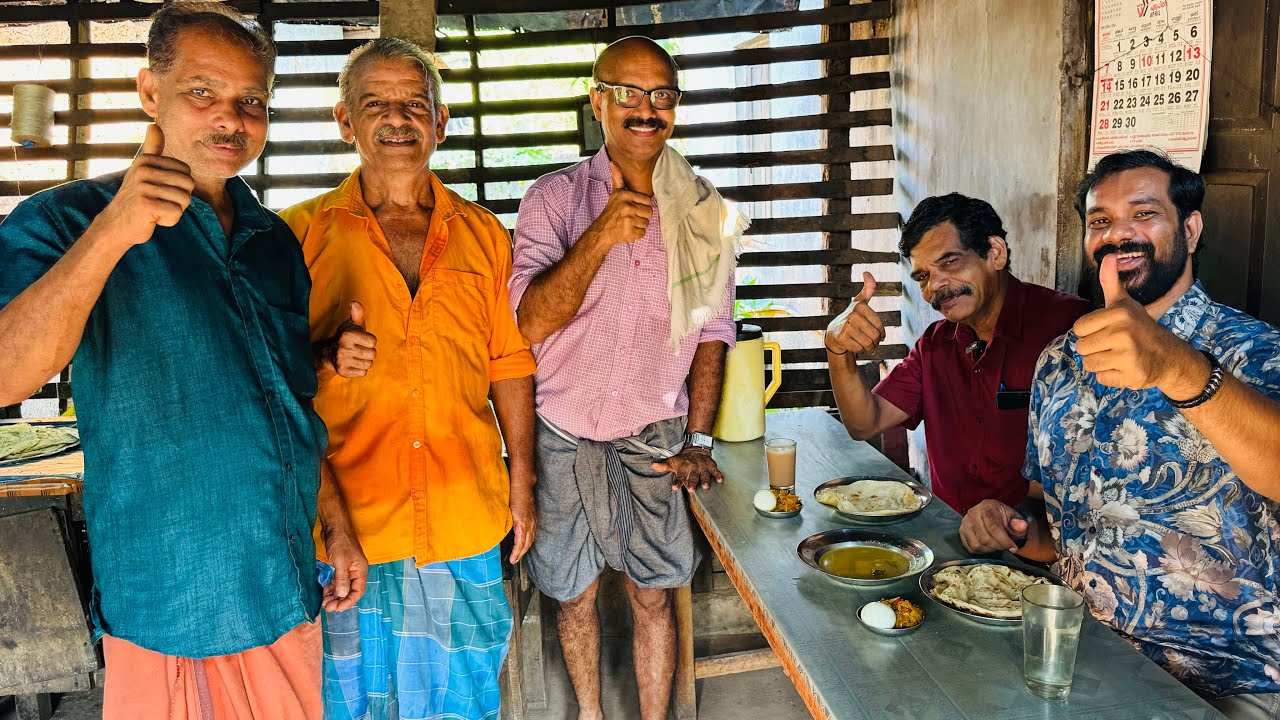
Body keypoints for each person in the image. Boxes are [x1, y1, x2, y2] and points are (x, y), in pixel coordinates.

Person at [0, 4, 365, 718]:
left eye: (251, 101)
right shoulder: (65, 221)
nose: (231, 118)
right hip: (170, 592)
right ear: (149, 93)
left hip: (282, 583)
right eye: (203, 92)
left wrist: (338, 525)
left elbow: (287, 403)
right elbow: (8, 374)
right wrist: (113, 234)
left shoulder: (273, 241)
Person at [960, 150, 1280, 718]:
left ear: (1190, 226)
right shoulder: (1060, 361)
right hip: (1076, 658)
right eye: (1100, 221)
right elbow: (1053, 527)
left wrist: (1178, 368)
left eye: (1143, 214)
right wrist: (1011, 526)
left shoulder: (1254, 351)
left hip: (1223, 681)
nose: (1118, 234)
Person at [278, 38, 537, 720]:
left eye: (414, 104)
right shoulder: (297, 235)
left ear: (440, 122)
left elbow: (507, 363)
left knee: (467, 700)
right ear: (345, 121)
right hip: (347, 526)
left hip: (464, 516)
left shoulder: (484, 235)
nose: (398, 119)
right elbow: (267, 380)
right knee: (347, 703)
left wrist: (523, 482)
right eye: (376, 104)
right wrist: (324, 354)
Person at [509, 36, 741, 720]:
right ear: (598, 100)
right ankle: (590, 714)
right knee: (572, 593)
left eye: (662, 95)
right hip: (563, 430)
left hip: (655, 433)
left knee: (653, 592)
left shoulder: (704, 209)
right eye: (629, 94)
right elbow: (530, 323)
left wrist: (699, 435)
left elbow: (711, 335)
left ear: (676, 107)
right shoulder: (552, 199)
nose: (646, 110)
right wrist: (602, 234)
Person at [825, 193, 1091, 514]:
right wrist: (837, 349)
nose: (935, 285)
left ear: (995, 253)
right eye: (923, 276)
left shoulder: (1071, 328)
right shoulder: (935, 345)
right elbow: (864, 423)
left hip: (1042, 548)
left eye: (949, 262)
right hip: (950, 541)